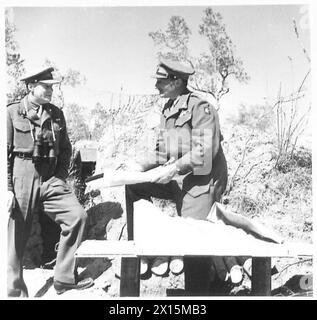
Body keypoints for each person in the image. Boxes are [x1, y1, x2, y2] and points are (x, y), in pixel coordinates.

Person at [124, 59, 241, 290]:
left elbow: (205, 152)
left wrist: (174, 168)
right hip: (178, 178)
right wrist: (137, 167)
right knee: (134, 186)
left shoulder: (201, 108)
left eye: (161, 80)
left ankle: (197, 294)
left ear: (176, 81)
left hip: (202, 182)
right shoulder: (168, 109)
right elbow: (163, 150)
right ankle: (146, 248)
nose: (156, 85)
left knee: (194, 243)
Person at [7, 67, 94, 297]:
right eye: (45, 86)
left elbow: (65, 149)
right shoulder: (12, 112)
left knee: (77, 217)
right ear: (30, 87)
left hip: (50, 177)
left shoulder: (56, 114)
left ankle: (63, 279)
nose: (50, 90)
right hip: (21, 174)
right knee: (16, 234)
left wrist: (60, 175)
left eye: (52, 87)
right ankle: (14, 290)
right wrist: (6, 188)